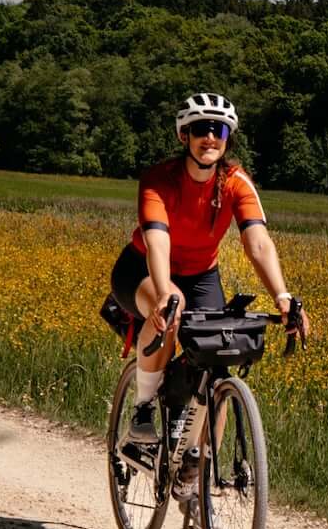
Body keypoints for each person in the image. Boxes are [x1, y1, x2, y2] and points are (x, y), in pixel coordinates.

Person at [108, 92, 310, 448]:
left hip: (201, 275)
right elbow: (158, 242)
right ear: (183, 135)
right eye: (201, 129)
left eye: (219, 130)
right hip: (141, 268)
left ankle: (197, 463)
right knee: (172, 307)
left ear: (228, 137)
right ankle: (143, 410)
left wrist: (282, 296)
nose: (210, 137)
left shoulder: (236, 182)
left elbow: (257, 243)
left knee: (217, 358)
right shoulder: (159, 180)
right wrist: (164, 292)